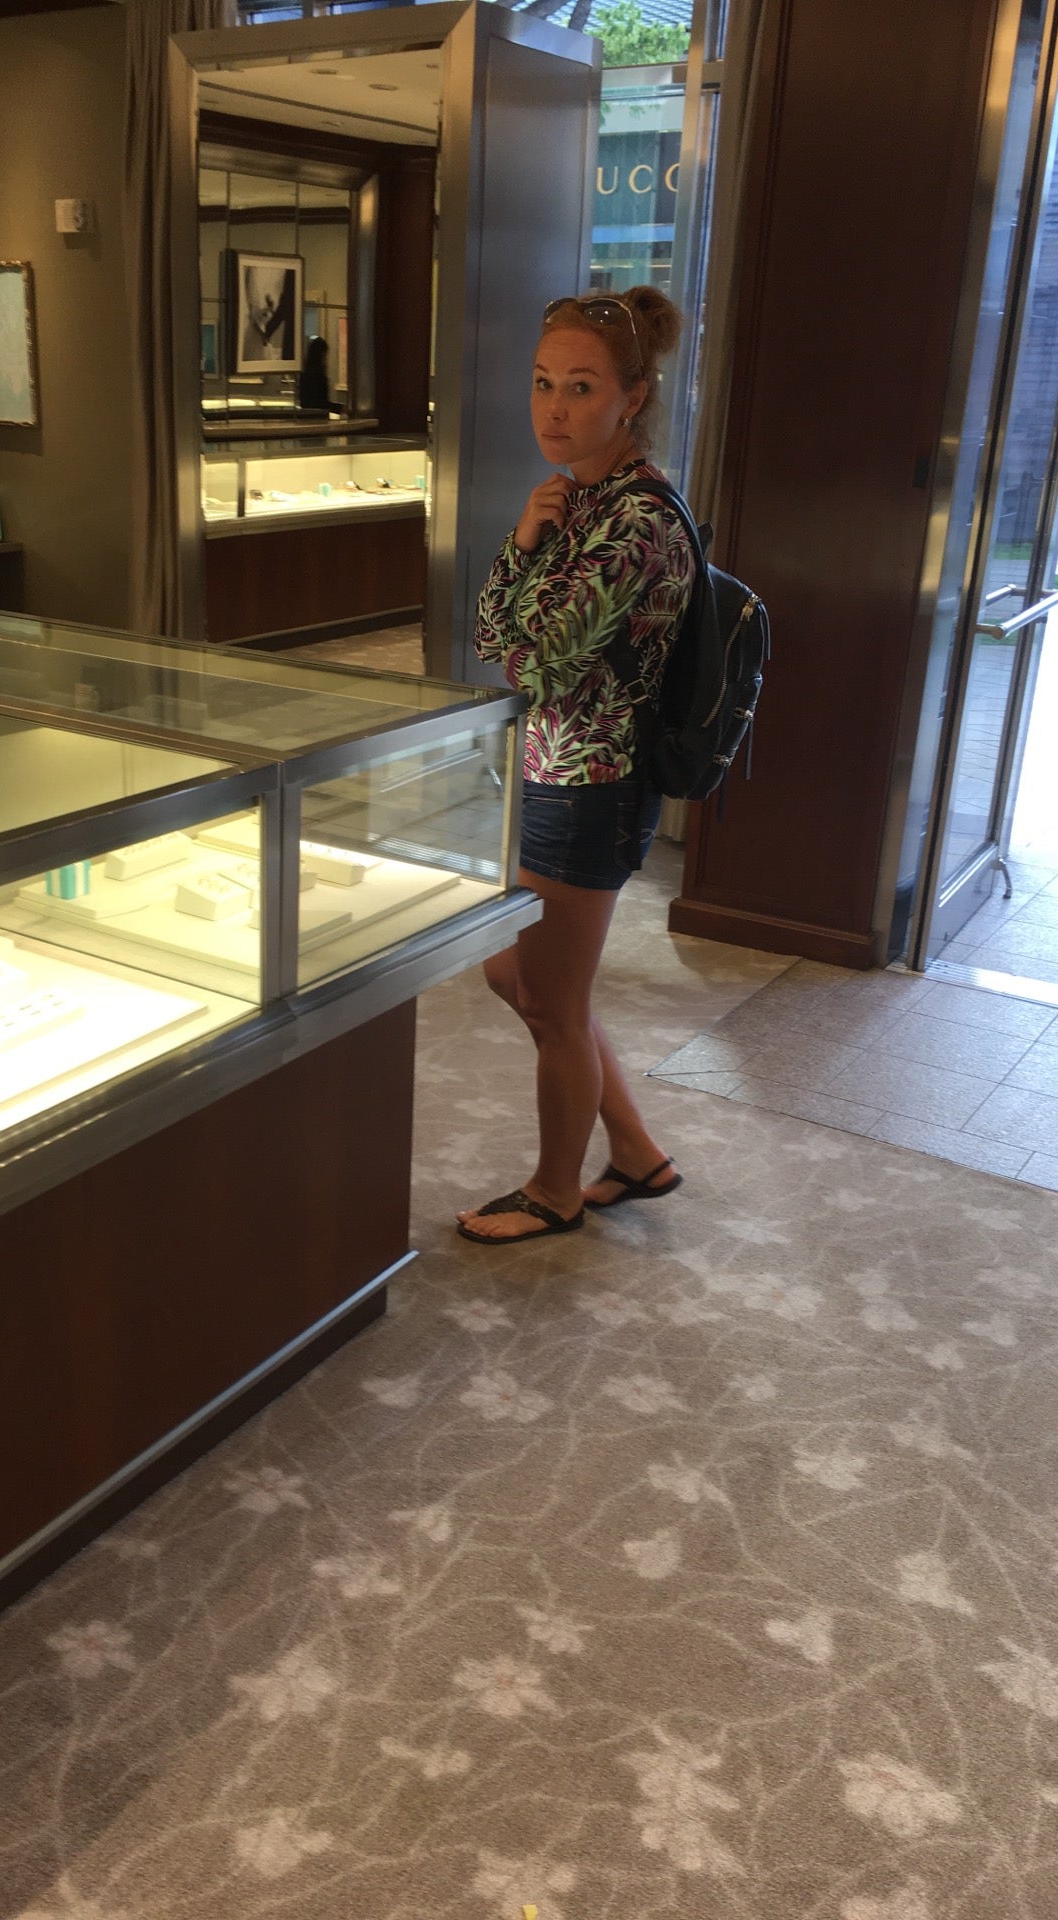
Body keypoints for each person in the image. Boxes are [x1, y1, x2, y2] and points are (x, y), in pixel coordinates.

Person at [456, 286, 693, 1245]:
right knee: (514, 975)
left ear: (632, 397)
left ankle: (555, 1190)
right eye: (543, 382)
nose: (554, 407)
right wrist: (523, 541)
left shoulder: (634, 522)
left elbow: (535, 662)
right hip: (551, 769)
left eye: (581, 386)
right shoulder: (574, 502)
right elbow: (489, 635)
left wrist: (523, 594)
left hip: (595, 785)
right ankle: (634, 1150)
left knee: (551, 1001)